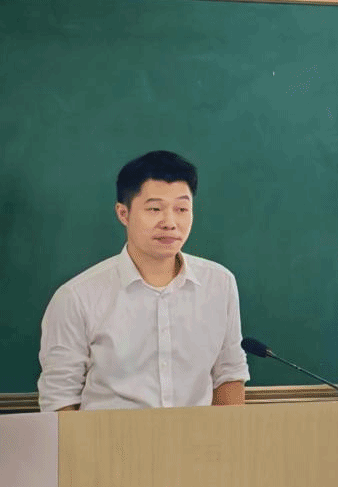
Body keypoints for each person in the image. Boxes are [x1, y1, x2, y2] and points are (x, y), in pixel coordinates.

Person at [37, 150, 250, 411]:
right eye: (154, 209)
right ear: (123, 213)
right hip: (109, 437)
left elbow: (229, 374)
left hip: (198, 436)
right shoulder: (77, 297)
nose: (170, 223)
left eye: (182, 209)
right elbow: (59, 398)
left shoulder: (219, 284)